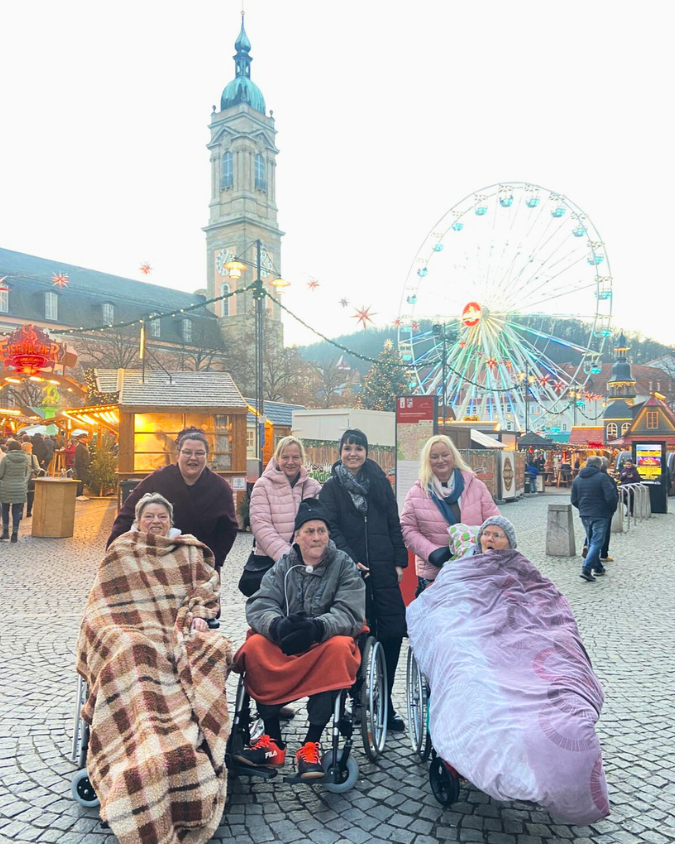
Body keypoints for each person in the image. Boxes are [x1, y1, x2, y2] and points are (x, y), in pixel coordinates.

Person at [406, 515, 609, 826]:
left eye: (498, 535)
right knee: (460, 658)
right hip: (478, 637)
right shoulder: (460, 570)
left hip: (529, 641)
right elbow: (439, 606)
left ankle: (565, 749)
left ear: (510, 544)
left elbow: (550, 603)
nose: (490, 539)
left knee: (563, 645)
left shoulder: (524, 569)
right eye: (486, 534)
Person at [76, 491, 232, 844]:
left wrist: (197, 615)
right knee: (134, 651)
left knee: (208, 650)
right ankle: (135, 749)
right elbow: (99, 606)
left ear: (171, 520)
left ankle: (190, 748)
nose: (156, 521)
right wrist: (115, 633)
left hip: (173, 632)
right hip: (131, 633)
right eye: (150, 516)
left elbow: (206, 590)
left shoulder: (188, 552)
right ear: (138, 521)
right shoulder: (122, 550)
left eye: (162, 516)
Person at [233, 499, 365, 779]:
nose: (316, 537)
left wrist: (317, 627)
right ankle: (272, 741)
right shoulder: (284, 565)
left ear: (328, 535)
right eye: (309, 531)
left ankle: (311, 744)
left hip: (324, 639)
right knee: (255, 646)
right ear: (296, 536)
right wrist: (277, 626)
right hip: (288, 639)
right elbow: (261, 602)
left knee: (340, 650)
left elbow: (350, 612)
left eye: (321, 531)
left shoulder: (343, 565)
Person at [319, 428, 408, 732]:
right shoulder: (331, 488)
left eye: (358, 448)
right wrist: (348, 557)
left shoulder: (380, 482)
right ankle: (355, 698)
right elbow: (330, 527)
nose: (353, 454)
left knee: (392, 633)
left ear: (366, 452)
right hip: (349, 572)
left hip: (383, 569)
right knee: (353, 636)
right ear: (340, 452)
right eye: (347, 448)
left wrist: (399, 560)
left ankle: (385, 700)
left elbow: (394, 522)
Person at [107, 427, 238, 571]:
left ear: (207, 456)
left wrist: (213, 559)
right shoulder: (158, 479)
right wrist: (113, 552)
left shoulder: (220, 487)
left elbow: (228, 528)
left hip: (201, 564)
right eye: (187, 452)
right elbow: (127, 515)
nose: (193, 458)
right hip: (158, 563)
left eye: (199, 453)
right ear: (177, 455)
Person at [401, 434, 500, 595]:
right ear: (427, 461)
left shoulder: (476, 486)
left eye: (445, 455)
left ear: (453, 456)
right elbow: (407, 529)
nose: (440, 460)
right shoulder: (416, 493)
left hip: (474, 569)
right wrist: (431, 552)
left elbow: (495, 522)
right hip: (435, 571)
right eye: (434, 457)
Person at [243, 436, 321, 597]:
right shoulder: (263, 485)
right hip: (271, 564)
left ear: (302, 459)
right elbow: (261, 526)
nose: (290, 462)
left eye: (295, 457)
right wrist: (289, 557)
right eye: (285, 457)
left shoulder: (312, 487)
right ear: (277, 458)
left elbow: (319, 525)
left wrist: (303, 556)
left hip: (305, 564)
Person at [571, 456, 618, 582]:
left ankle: (598, 567)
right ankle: (586, 569)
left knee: (592, 541)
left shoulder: (578, 478)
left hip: (585, 514)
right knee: (597, 542)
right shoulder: (602, 477)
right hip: (600, 513)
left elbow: (574, 499)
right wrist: (611, 509)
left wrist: (582, 508)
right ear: (599, 465)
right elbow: (610, 496)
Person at [0, 440, 31, 541]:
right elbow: (26, 473)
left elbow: (1, 474)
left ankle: (5, 533)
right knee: (16, 511)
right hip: (20, 487)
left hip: (6, 487)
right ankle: (14, 534)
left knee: (5, 510)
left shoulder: (5, 459)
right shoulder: (25, 459)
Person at [21, 441, 41, 518]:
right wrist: (35, 473)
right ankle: (28, 511)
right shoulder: (33, 457)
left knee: (21, 497)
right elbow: (37, 469)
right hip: (30, 479)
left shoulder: (20, 457)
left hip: (21, 480)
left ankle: (20, 512)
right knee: (30, 496)